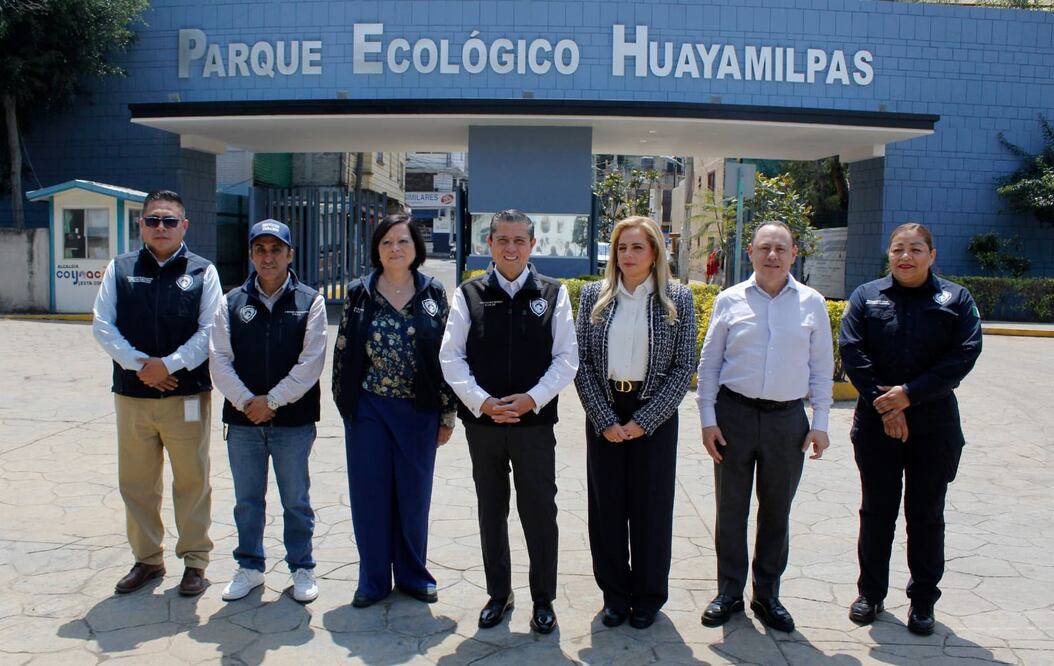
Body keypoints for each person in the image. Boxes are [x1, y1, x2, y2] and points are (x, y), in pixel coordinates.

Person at [439, 209, 579, 634]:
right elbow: (451, 356)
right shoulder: (469, 293)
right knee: (491, 509)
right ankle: (499, 594)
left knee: (539, 511)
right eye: (502, 239)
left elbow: (566, 358)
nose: (511, 248)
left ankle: (543, 599)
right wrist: (482, 403)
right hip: (484, 426)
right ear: (490, 244)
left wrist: (532, 400)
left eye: (520, 240)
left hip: (534, 426)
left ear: (533, 245)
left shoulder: (553, 293)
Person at [839, 223, 982, 635]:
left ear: (932, 255)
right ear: (889, 254)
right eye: (898, 249)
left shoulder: (956, 299)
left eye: (916, 249)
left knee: (926, 513)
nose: (906, 256)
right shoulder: (866, 296)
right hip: (876, 420)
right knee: (876, 511)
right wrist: (887, 405)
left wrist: (909, 395)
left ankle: (922, 601)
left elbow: (964, 354)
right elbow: (852, 350)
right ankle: (870, 594)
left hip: (933, 423)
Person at [695, 221, 833, 633]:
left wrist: (820, 423)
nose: (772, 255)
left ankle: (767, 594)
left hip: (787, 422)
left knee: (776, 512)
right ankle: (729, 592)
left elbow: (821, 369)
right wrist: (708, 420)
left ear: (794, 254)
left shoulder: (811, 303)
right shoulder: (729, 300)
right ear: (751, 252)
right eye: (764, 248)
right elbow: (710, 365)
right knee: (731, 510)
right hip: (733, 416)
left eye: (781, 248)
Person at [92, 190, 220, 596]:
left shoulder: (203, 272)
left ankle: (195, 561)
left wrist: (170, 365)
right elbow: (102, 325)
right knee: (137, 483)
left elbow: (210, 331)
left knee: (193, 481)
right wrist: (141, 366)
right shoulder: (120, 269)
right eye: (153, 220)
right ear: (141, 224)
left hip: (187, 396)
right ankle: (147, 559)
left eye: (169, 221)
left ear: (184, 226)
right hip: (133, 395)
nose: (160, 227)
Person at [573, 217, 697, 629]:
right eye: (621, 248)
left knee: (651, 510)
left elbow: (684, 366)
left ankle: (647, 597)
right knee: (606, 509)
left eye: (637, 247)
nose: (628, 255)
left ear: (655, 252)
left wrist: (646, 420)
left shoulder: (677, 299)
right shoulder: (593, 296)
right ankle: (614, 595)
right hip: (606, 409)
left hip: (654, 415)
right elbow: (581, 362)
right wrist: (604, 419)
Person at [333, 214, 456, 608]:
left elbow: (448, 356)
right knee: (369, 495)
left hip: (419, 410)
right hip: (369, 409)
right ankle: (372, 580)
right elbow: (342, 353)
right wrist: (346, 405)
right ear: (377, 249)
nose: (395, 249)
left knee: (413, 497)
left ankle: (413, 576)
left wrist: (447, 413)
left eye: (403, 241)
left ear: (416, 248)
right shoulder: (359, 292)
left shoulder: (432, 292)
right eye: (386, 242)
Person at [209, 219, 327, 603]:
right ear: (251, 255)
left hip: (293, 423)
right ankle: (250, 567)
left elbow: (311, 363)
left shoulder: (310, 301)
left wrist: (271, 401)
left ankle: (302, 568)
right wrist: (248, 402)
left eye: (276, 249)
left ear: (290, 255)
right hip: (243, 423)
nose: (268, 257)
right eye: (260, 249)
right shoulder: (230, 302)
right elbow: (219, 360)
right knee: (247, 502)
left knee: (296, 501)